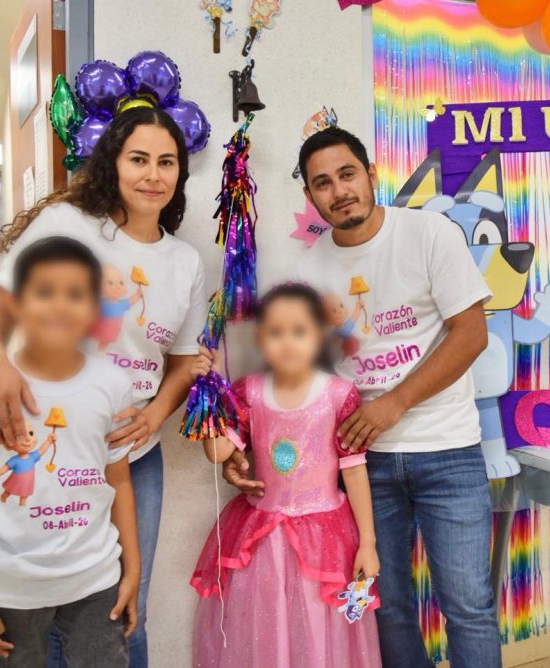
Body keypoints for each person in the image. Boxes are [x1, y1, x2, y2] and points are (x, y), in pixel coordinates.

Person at [223, 127, 501, 667]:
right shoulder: (307, 272)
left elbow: (471, 334)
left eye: (347, 174)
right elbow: (300, 381)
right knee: (385, 605)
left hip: (447, 450)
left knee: (468, 605)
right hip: (361, 465)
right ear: (310, 194)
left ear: (371, 174)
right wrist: (245, 444)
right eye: (323, 183)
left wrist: (394, 403)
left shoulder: (429, 233)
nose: (339, 191)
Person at [0, 106, 209, 667]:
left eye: (166, 162)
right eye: (138, 159)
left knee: (126, 607)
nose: (153, 175)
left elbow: (183, 362)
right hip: (49, 443)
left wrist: (153, 416)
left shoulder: (185, 262)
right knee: (50, 610)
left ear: (180, 173)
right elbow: (1, 305)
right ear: (113, 164)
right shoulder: (70, 225)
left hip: (132, 455)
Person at [0, 237, 140, 667]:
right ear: (14, 303)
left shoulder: (113, 385)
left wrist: (132, 569)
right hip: (9, 586)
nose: (59, 306)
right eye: (44, 292)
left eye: (75, 294)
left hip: (95, 579)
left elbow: (118, 480)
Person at [192, 284, 382, 667]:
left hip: (325, 537)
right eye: (276, 332)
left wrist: (368, 543)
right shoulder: (249, 392)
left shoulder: (338, 395)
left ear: (319, 336)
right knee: (266, 625)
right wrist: (207, 391)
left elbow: (354, 470)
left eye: (299, 331)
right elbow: (217, 453)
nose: (288, 342)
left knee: (317, 623)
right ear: (260, 339)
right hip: (264, 540)